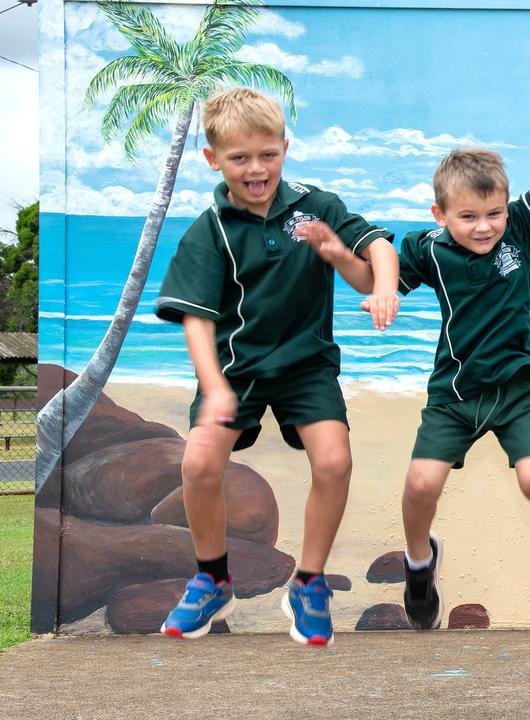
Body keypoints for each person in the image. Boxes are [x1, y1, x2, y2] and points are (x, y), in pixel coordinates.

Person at [155, 87, 400, 646]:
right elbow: (195, 319)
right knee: (198, 466)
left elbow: (375, 254)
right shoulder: (210, 229)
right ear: (213, 160)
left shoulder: (318, 205)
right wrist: (214, 387)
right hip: (235, 369)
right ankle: (212, 578)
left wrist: (378, 284)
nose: (256, 168)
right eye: (240, 158)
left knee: (334, 461)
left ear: (285, 148)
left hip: (305, 365)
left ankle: (310, 584)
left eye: (268, 154)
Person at [394, 65, 530, 633]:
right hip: (455, 393)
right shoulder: (430, 249)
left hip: (515, 389)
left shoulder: (520, 233)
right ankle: (420, 564)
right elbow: (380, 261)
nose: (485, 227)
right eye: (469, 217)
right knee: (420, 485)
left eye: (494, 213)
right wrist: (373, 286)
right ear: (440, 215)